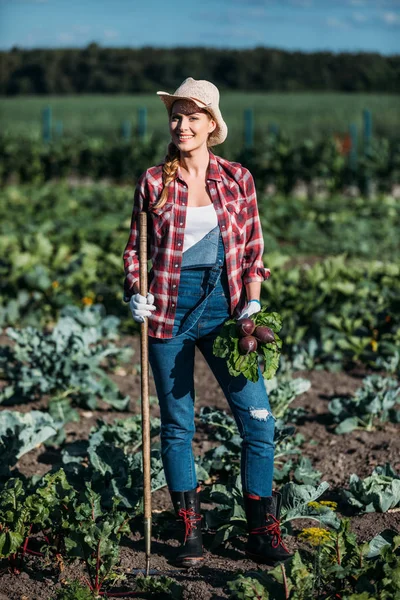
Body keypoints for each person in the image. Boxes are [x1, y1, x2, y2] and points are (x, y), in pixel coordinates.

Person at [122, 77, 291, 568]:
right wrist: (137, 294)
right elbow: (137, 251)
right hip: (169, 307)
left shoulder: (238, 178)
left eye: (193, 116)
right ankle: (189, 531)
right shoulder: (155, 181)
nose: (182, 124)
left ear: (212, 124)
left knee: (259, 421)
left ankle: (261, 529)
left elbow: (254, 249)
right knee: (177, 426)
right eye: (176, 115)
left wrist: (252, 303)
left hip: (226, 309)